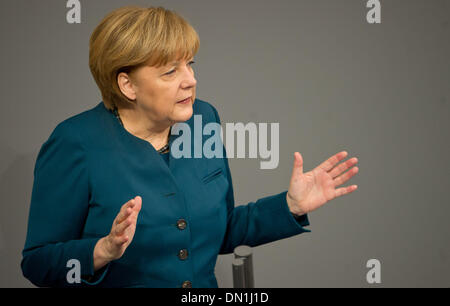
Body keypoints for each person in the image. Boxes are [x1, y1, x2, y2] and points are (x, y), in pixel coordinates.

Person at [21, 6, 359, 288]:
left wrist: (289, 206)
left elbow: (222, 229)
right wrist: (103, 250)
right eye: (170, 71)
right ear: (127, 84)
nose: (191, 80)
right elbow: (37, 262)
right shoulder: (74, 143)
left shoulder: (203, 118)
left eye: (190, 64)